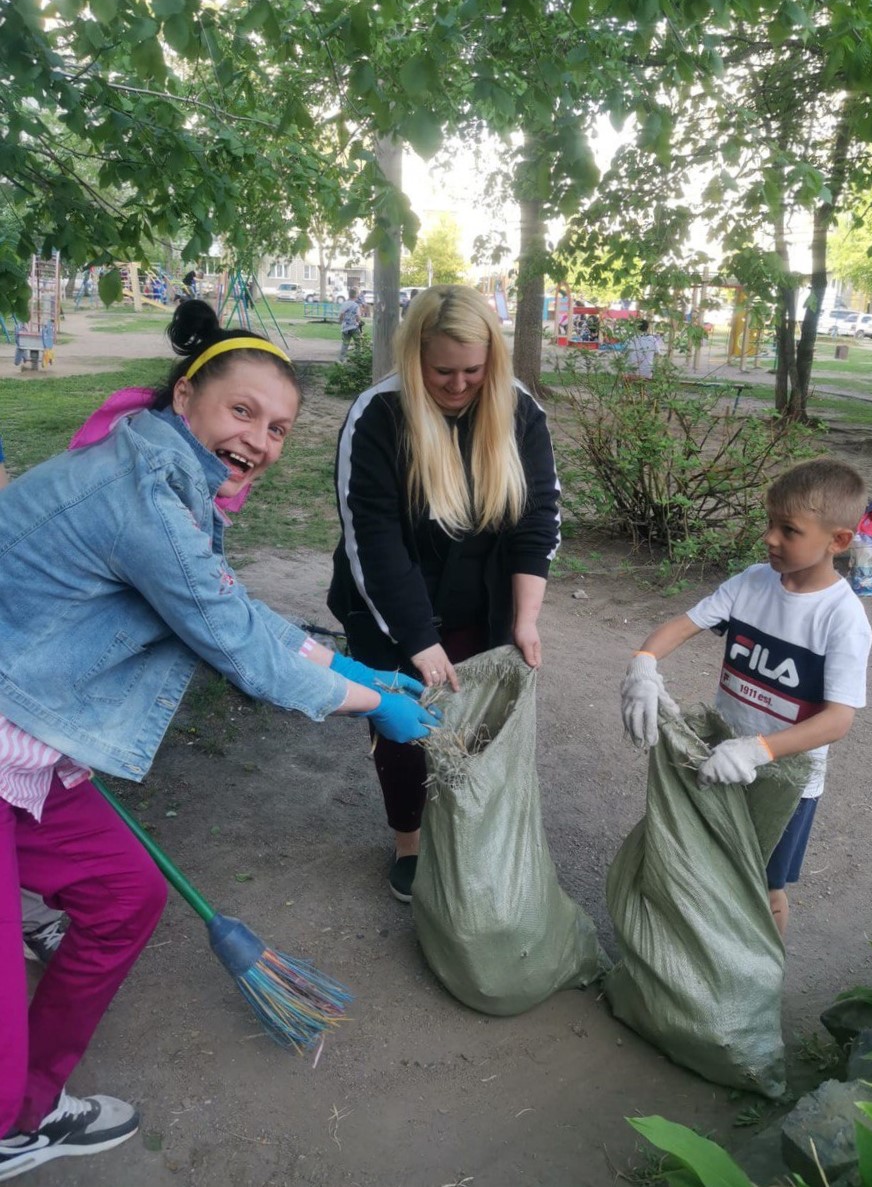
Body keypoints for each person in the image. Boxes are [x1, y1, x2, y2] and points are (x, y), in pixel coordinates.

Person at [0, 299, 439, 1179]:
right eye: (243, 411)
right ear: (186, 394)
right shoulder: (142, 494)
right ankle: (11, 1113)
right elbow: (233, 641)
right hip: (17, 737)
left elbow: (228, 607)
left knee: (125, 899)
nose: (261, 441)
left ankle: (23, 1112)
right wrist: (366, 703)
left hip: (28, 751)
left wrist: (354, 667)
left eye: (278, 428)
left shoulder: (168, 483)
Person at [328, 284, 561, 901]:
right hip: (392, 601)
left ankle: (464, 829)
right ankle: (409, 839)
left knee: (478, 721)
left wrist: (526, 618)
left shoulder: (518, 411)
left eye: (473, 372)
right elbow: (372, 540)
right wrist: (418, 642)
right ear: (414, 359)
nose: (459, 386)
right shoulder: (378, 415)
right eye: (442, 372)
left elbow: (536, 520)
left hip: (485, 594)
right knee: (405, 721)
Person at [620, 458, 872, 937]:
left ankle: (758, 977)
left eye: (788, 530)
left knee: (765, 885)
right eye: (769, 523)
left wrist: (760, 750)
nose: (770, 538)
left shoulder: (842, 618)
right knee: (712, 863)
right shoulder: (751, 583)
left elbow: (838, 720)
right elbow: (683, 625)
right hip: (721, 756)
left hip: (784, 783)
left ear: (837, 541)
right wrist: (643, 663)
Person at [338, 288, 365, 361]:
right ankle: (357, 358)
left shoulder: (344, 304)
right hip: (354, 327)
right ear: (356, 295)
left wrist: (341, 322)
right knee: (358, 343)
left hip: (345, 328)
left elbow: (341, 315)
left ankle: (341, 359)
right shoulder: (356, 305)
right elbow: (358, 316)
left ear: (348, 294)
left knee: (345, 343)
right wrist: (359, 322)